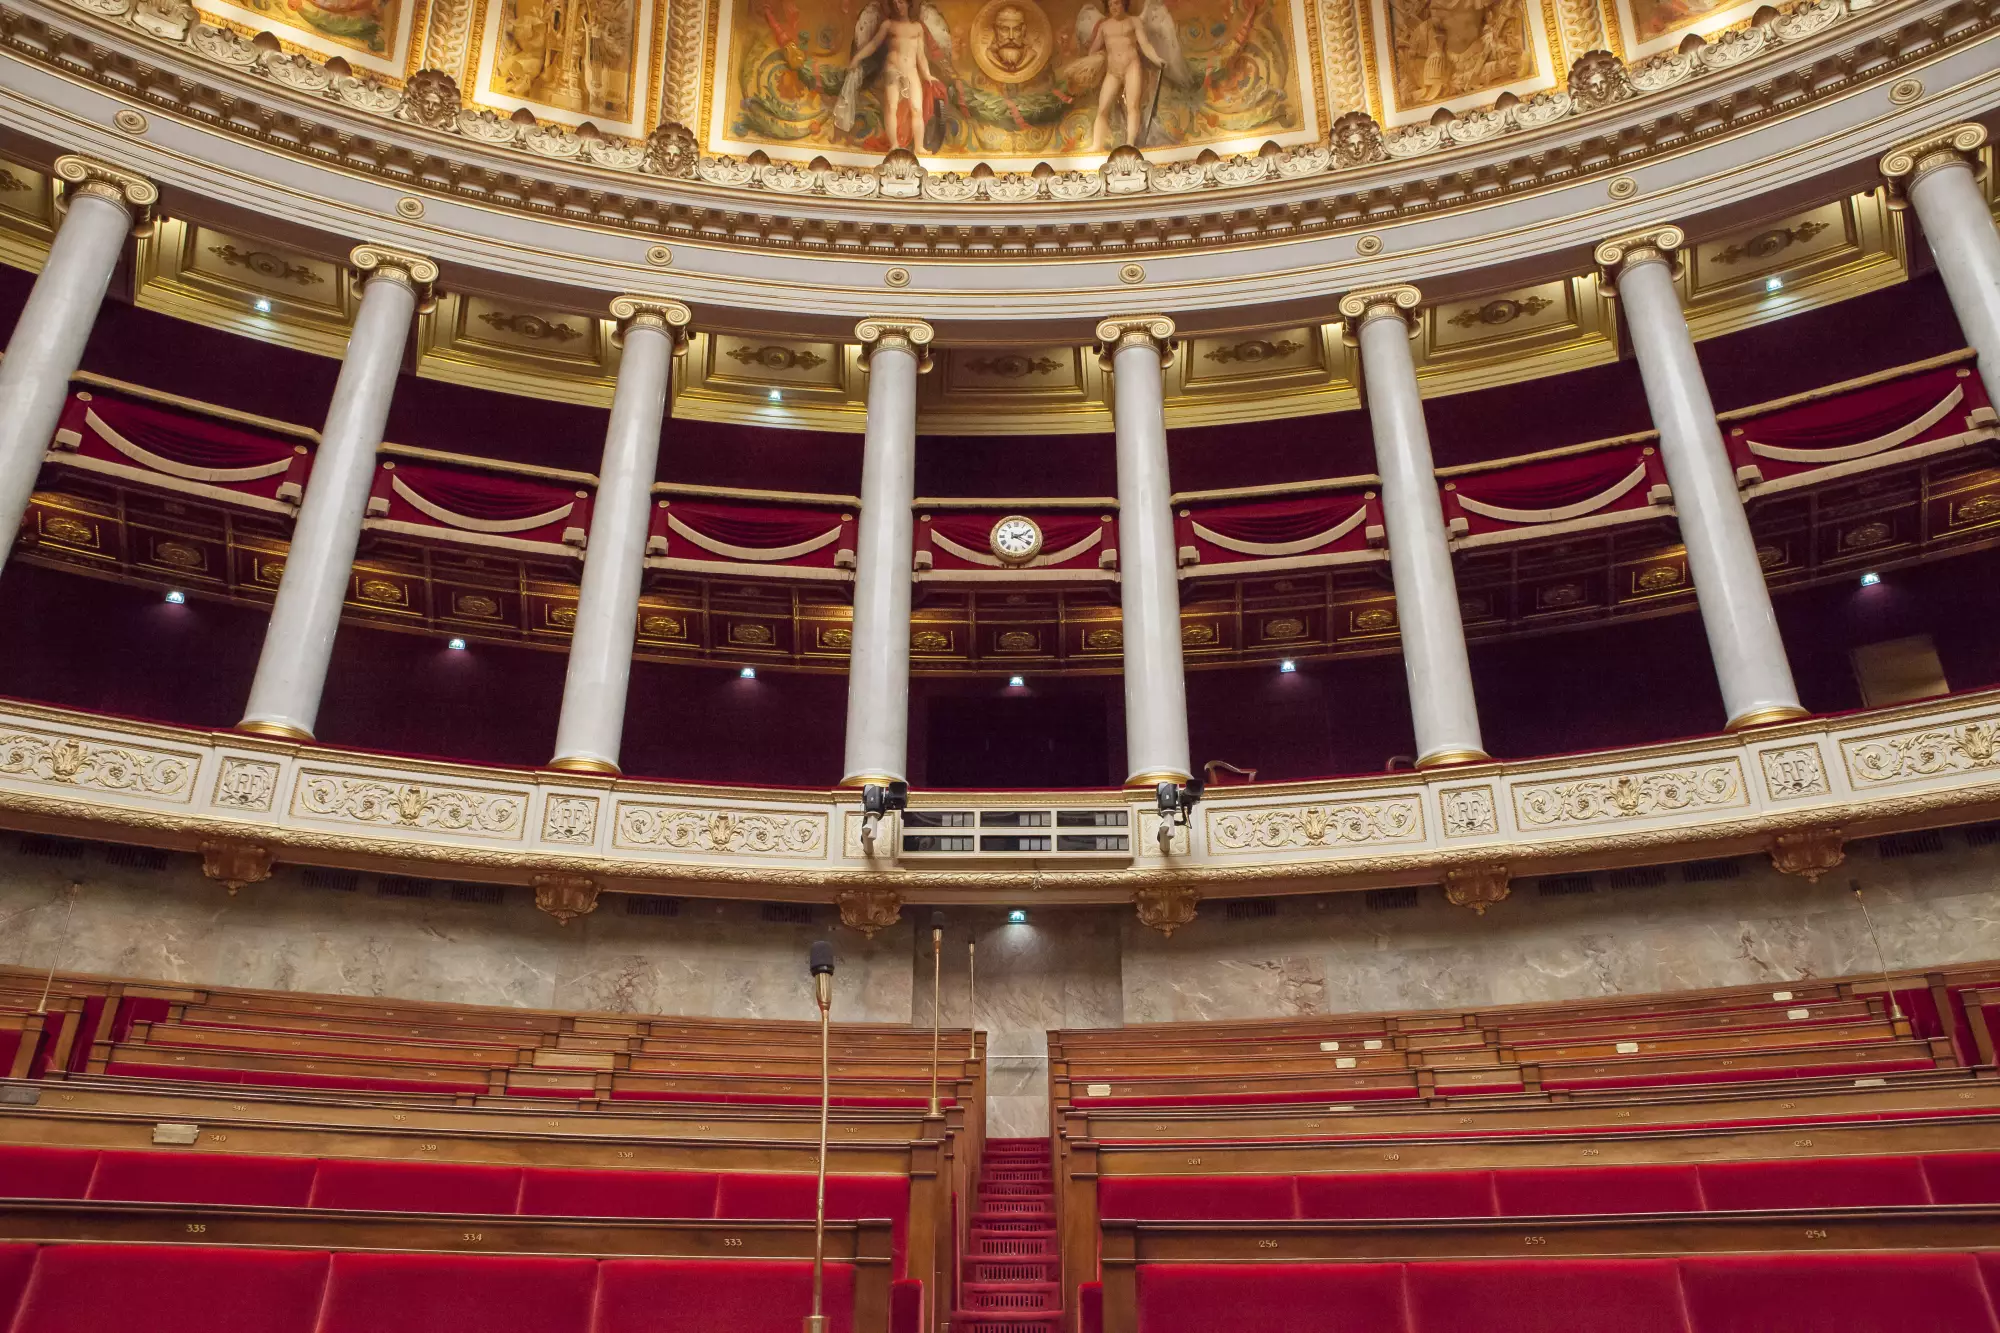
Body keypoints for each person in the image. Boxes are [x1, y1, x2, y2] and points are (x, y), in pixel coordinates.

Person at [851, 0, 938, 152]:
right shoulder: (888, 25)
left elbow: (921, 55)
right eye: (895, 3)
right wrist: (857, 58)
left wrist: (927, 74)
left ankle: (919, 146)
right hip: (892, 69)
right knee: (891, 107)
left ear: (908, 4)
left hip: (911, 70)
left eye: (901, 2)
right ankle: (894, 145)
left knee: (917, 108)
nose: (898, 6)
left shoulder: (917, 28)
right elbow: (873, 44)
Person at [1088, 0, 1166, 152]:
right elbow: (1093, 49)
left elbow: (1145, 44)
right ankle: (1097, 144)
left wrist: (1157, 59)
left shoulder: (1134, 21)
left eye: (1116, 3)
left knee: (1132, 106)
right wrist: (1091, 62)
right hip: (1112, 71)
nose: (1113, 8)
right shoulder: (1104, 26)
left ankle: (1130, 143)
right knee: (1102, 107)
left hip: (1132, 67)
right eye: (1110, 5)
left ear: (1124, 4)